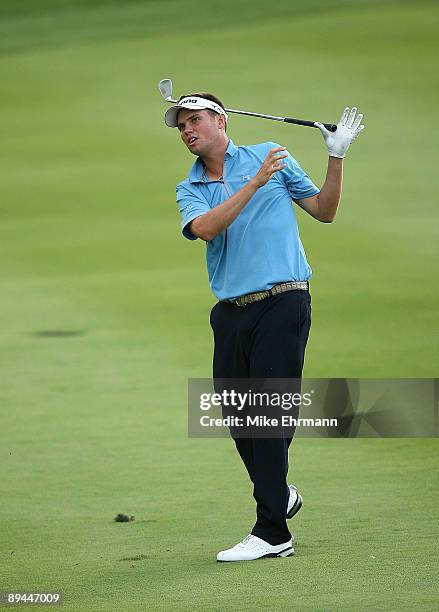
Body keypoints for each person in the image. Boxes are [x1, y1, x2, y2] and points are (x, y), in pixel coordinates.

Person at [164, 93, 365, 562]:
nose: (187, 130)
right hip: (231, 312)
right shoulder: (189, 186)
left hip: (284, 301)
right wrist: (254, 183)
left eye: (194, 120)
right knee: (238, 419)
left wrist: (335, 157)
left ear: (221, 120)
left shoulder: (272, 154)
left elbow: (324, 210)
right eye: (180, 126)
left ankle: (273, 530)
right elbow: (207, 228)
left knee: (268, 416)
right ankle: (280, 492)